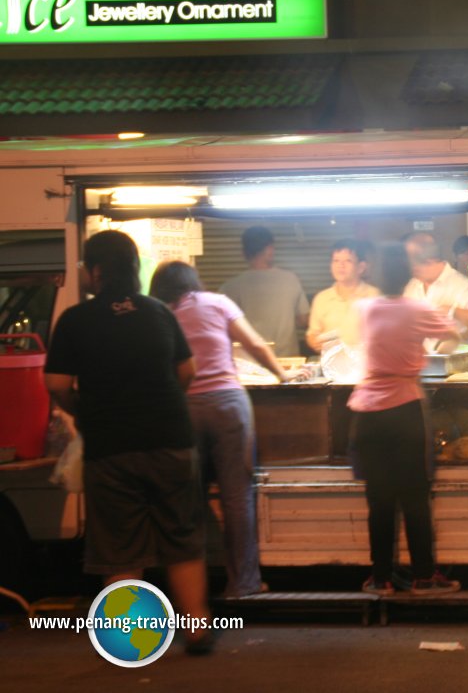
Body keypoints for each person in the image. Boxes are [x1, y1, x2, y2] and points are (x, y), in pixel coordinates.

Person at [43, 231, 214, 654]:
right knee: (182, 536)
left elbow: (57, 384)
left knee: (120, 547)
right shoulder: (158, 311)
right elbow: (187, 371)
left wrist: (83, 408)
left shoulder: (77, 320)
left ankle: (134, 638)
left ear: (96, 271)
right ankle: (196, 629)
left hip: (111, 445)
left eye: (84, 266)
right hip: (171, 440)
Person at [150, 260, 303, 600]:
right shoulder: (218, 302)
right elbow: (257, 345)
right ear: (195, 282)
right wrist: (283, 374)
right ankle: (243, 584)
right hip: (229, 407)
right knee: (237, 498)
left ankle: (191, 589)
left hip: (185, 410)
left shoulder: (160, 315)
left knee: (190, 501)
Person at [350, 242, 462, 596]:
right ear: (408, 274)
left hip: (366, 412)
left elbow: (354, 344)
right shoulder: (417, 308)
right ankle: (425, 576)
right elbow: (455, 336)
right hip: (404, 407)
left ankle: (380, 578)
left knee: (379, 499)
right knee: (414, 496)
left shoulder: (363, 308)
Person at [220, 226, 310, 357]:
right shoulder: (290, 279)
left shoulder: (231, 287)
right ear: (270, 249)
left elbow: (225, 328)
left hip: (249, 363)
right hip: (287, 361)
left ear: (244, 252)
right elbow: (303, 320)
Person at [402, 231, 468, 346]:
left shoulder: (461, 284)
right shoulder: (413, 285)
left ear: (429, 261)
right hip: (421, 360)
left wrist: (451, 311)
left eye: (415, 267)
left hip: (456, 361)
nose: (413, 271)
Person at [306, 239, 380, 352]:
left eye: (348, 261)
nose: (340, 266)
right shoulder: (321, 298)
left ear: (361, 267)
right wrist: (315, 342)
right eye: (336, 261)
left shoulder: (375, 296)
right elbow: (312, 334)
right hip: (331, 365)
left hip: (365, 365)